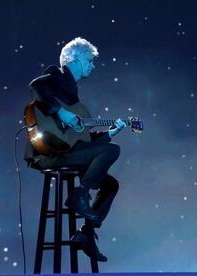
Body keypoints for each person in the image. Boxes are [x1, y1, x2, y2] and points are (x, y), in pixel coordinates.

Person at [24, 37, 126, 261]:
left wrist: (109, 133)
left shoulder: (73, 98)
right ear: (75, 59)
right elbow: (36, 85)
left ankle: (85, 235)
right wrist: (60, 112)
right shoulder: (56, 77)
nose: (93, 65)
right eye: (89, 60)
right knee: (112, 151)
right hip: (49, 154)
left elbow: (81, 142)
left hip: (66, 151)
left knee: (111, 184)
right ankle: (79, 195)